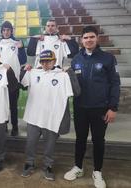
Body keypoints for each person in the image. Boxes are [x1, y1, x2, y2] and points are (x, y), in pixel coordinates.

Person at [63, 26, 120, 188]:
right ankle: (78, 167)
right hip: (81, 107)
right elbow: (72, 83)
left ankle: (97, 171)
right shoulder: (76, 60)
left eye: (91, 37)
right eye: (86, 37)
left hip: (100, 108)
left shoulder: (108, 58)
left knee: (98, 140)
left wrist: (113, 107)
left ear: (97, 38)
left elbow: (115, 84)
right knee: (80, 139)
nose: (88, 40)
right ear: (81, 40)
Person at [20, 50, 80, 181]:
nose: (45, 64)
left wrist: (70, 74)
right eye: (43, 61)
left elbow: (76, 92)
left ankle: (48, 165)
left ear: (54, 61)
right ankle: (29, 163)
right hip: (34, 116)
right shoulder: (34, 72)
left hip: (52, 117)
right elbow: (22, 85)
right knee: (30, 143)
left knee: (50, 145)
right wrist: (24, 70)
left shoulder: (62, 75)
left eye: (48, 61)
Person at [0, 21, 27, 136]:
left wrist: (21, 49)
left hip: (13, 80)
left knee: (13, 105)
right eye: (4, 30)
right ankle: (4, 125)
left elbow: (23, 60)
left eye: (8, 30)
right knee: (2, 104)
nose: (6, 32)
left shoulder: (17, 43)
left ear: (11, 31)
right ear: (1, 31)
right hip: (0, 80)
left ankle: (15, 126)